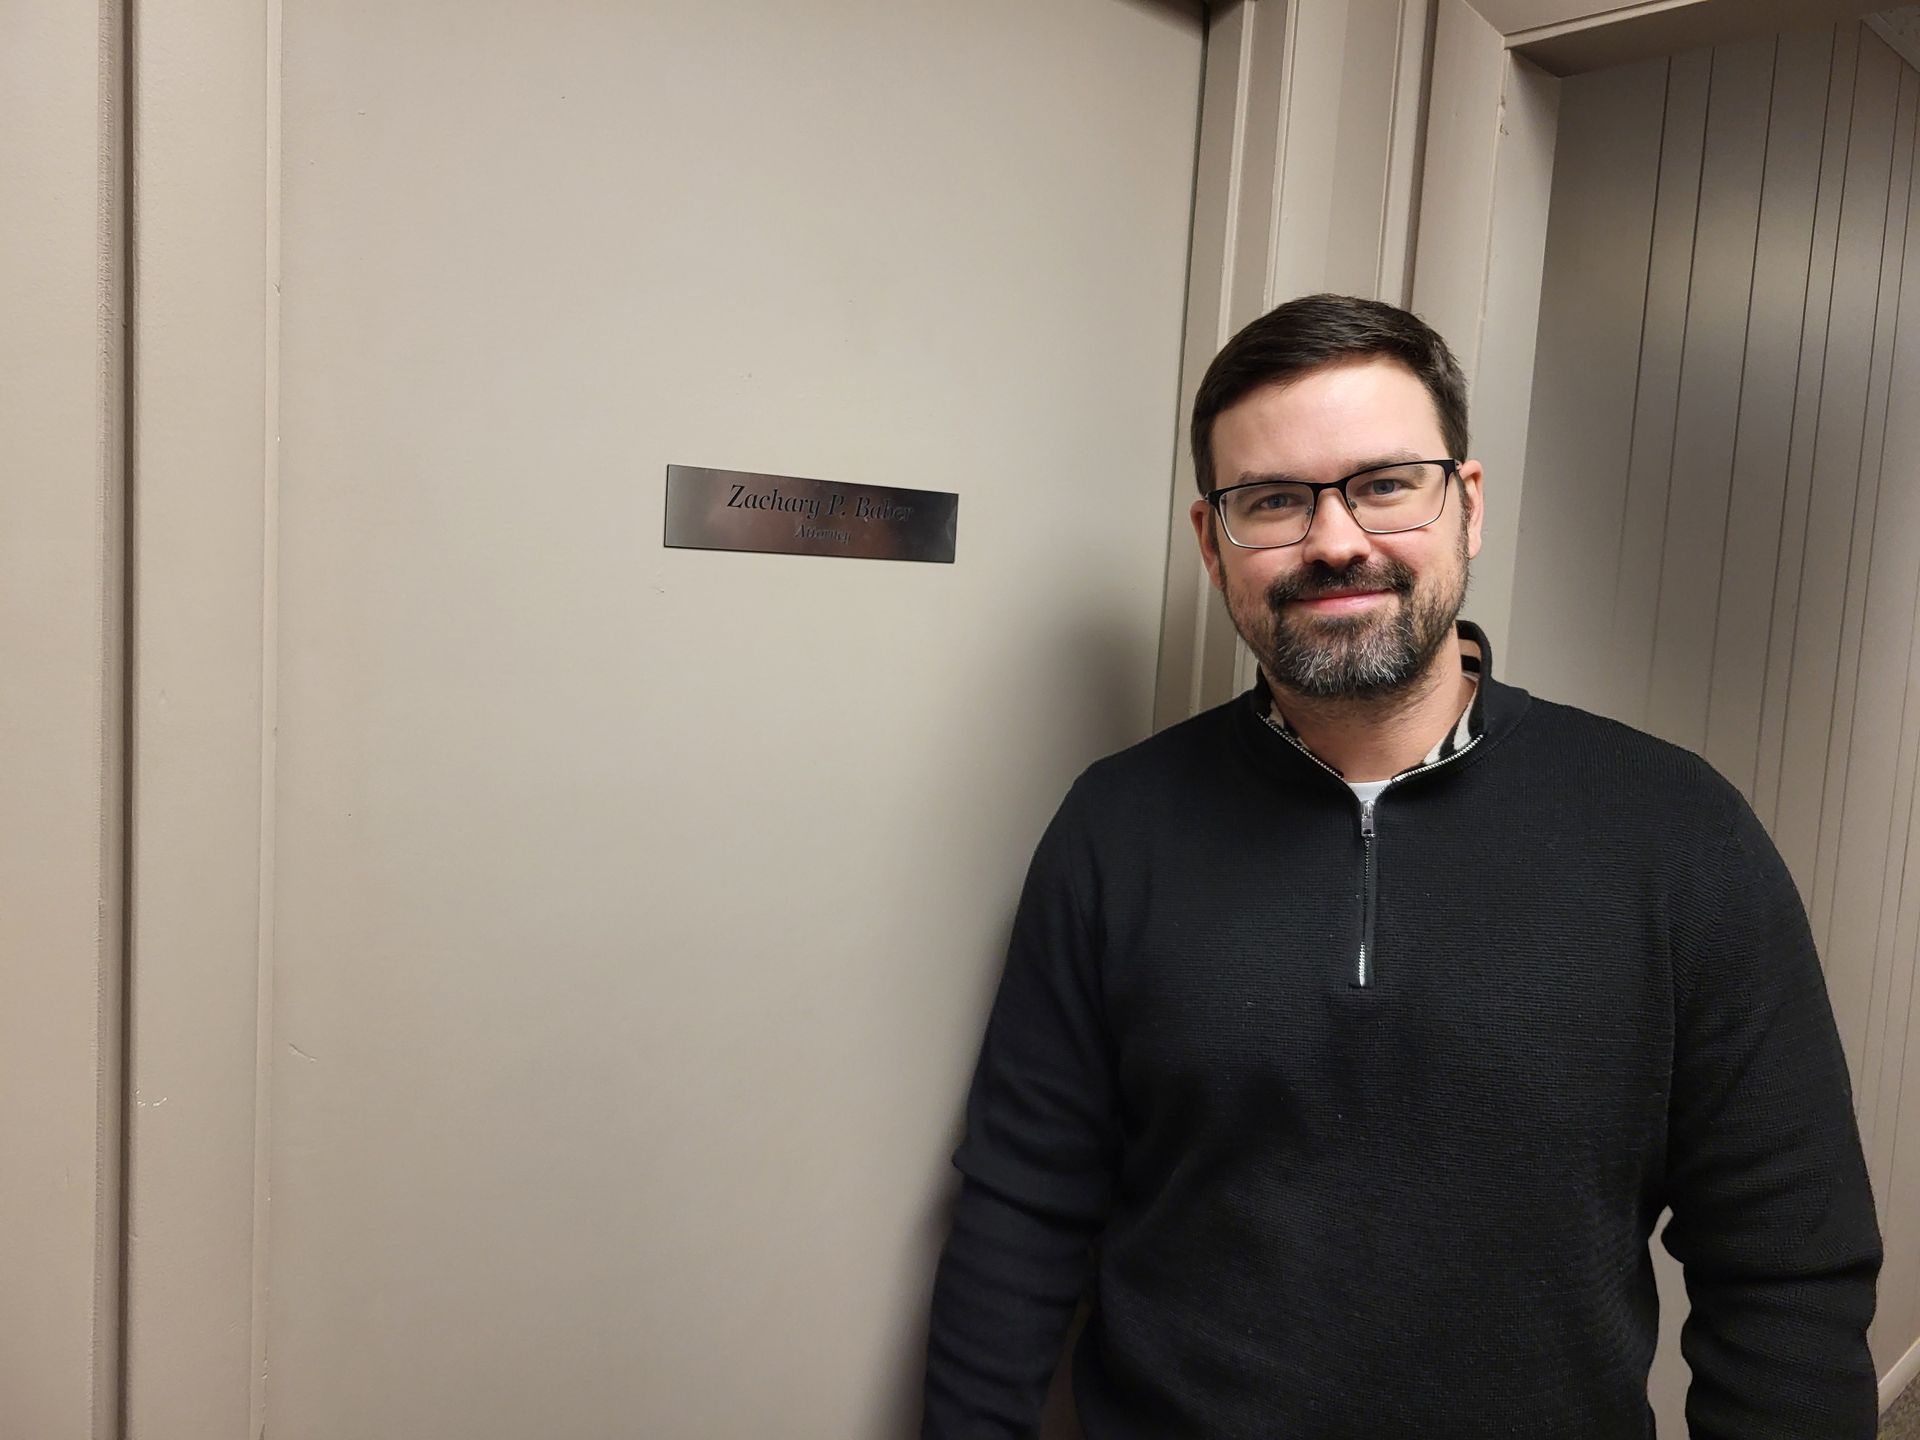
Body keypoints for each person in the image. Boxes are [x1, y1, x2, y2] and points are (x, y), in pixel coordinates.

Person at [920, 294, 1883, 1438]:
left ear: (1466, 507)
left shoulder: (1677, 834)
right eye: (1273, 500)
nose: (1334, 540)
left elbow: (1787, 1268)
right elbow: (1020, 1216)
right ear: (1209, 541)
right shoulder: (1115, 827)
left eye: (1384, 483)